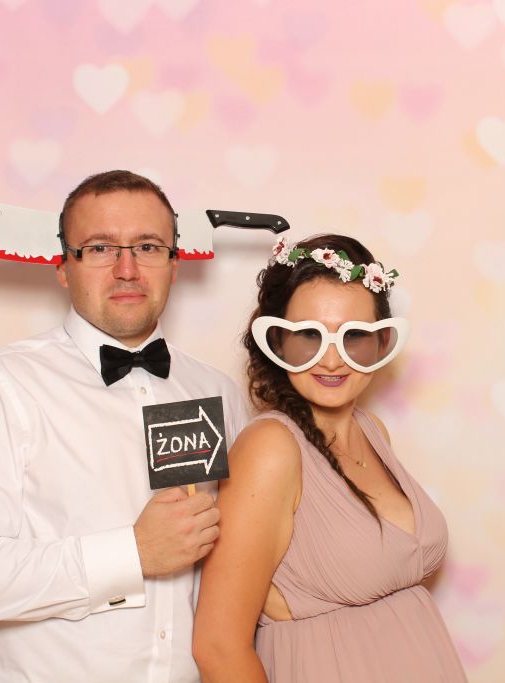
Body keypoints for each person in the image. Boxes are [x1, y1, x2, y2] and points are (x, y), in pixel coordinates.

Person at [0, 170, 247, 683]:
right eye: (99, 248)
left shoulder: (218, 392)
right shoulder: (2, 387)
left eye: (148, 247)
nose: (126, 269)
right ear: (63, 267)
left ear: (174, 263)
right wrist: (131, 553)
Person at [192, 234, 468, 682]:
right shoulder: (270, 449)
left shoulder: (372, 430)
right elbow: (218, 648)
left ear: (381, 342)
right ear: (277, 341)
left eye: (354, 336)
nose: (333, 360)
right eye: (309, 336)